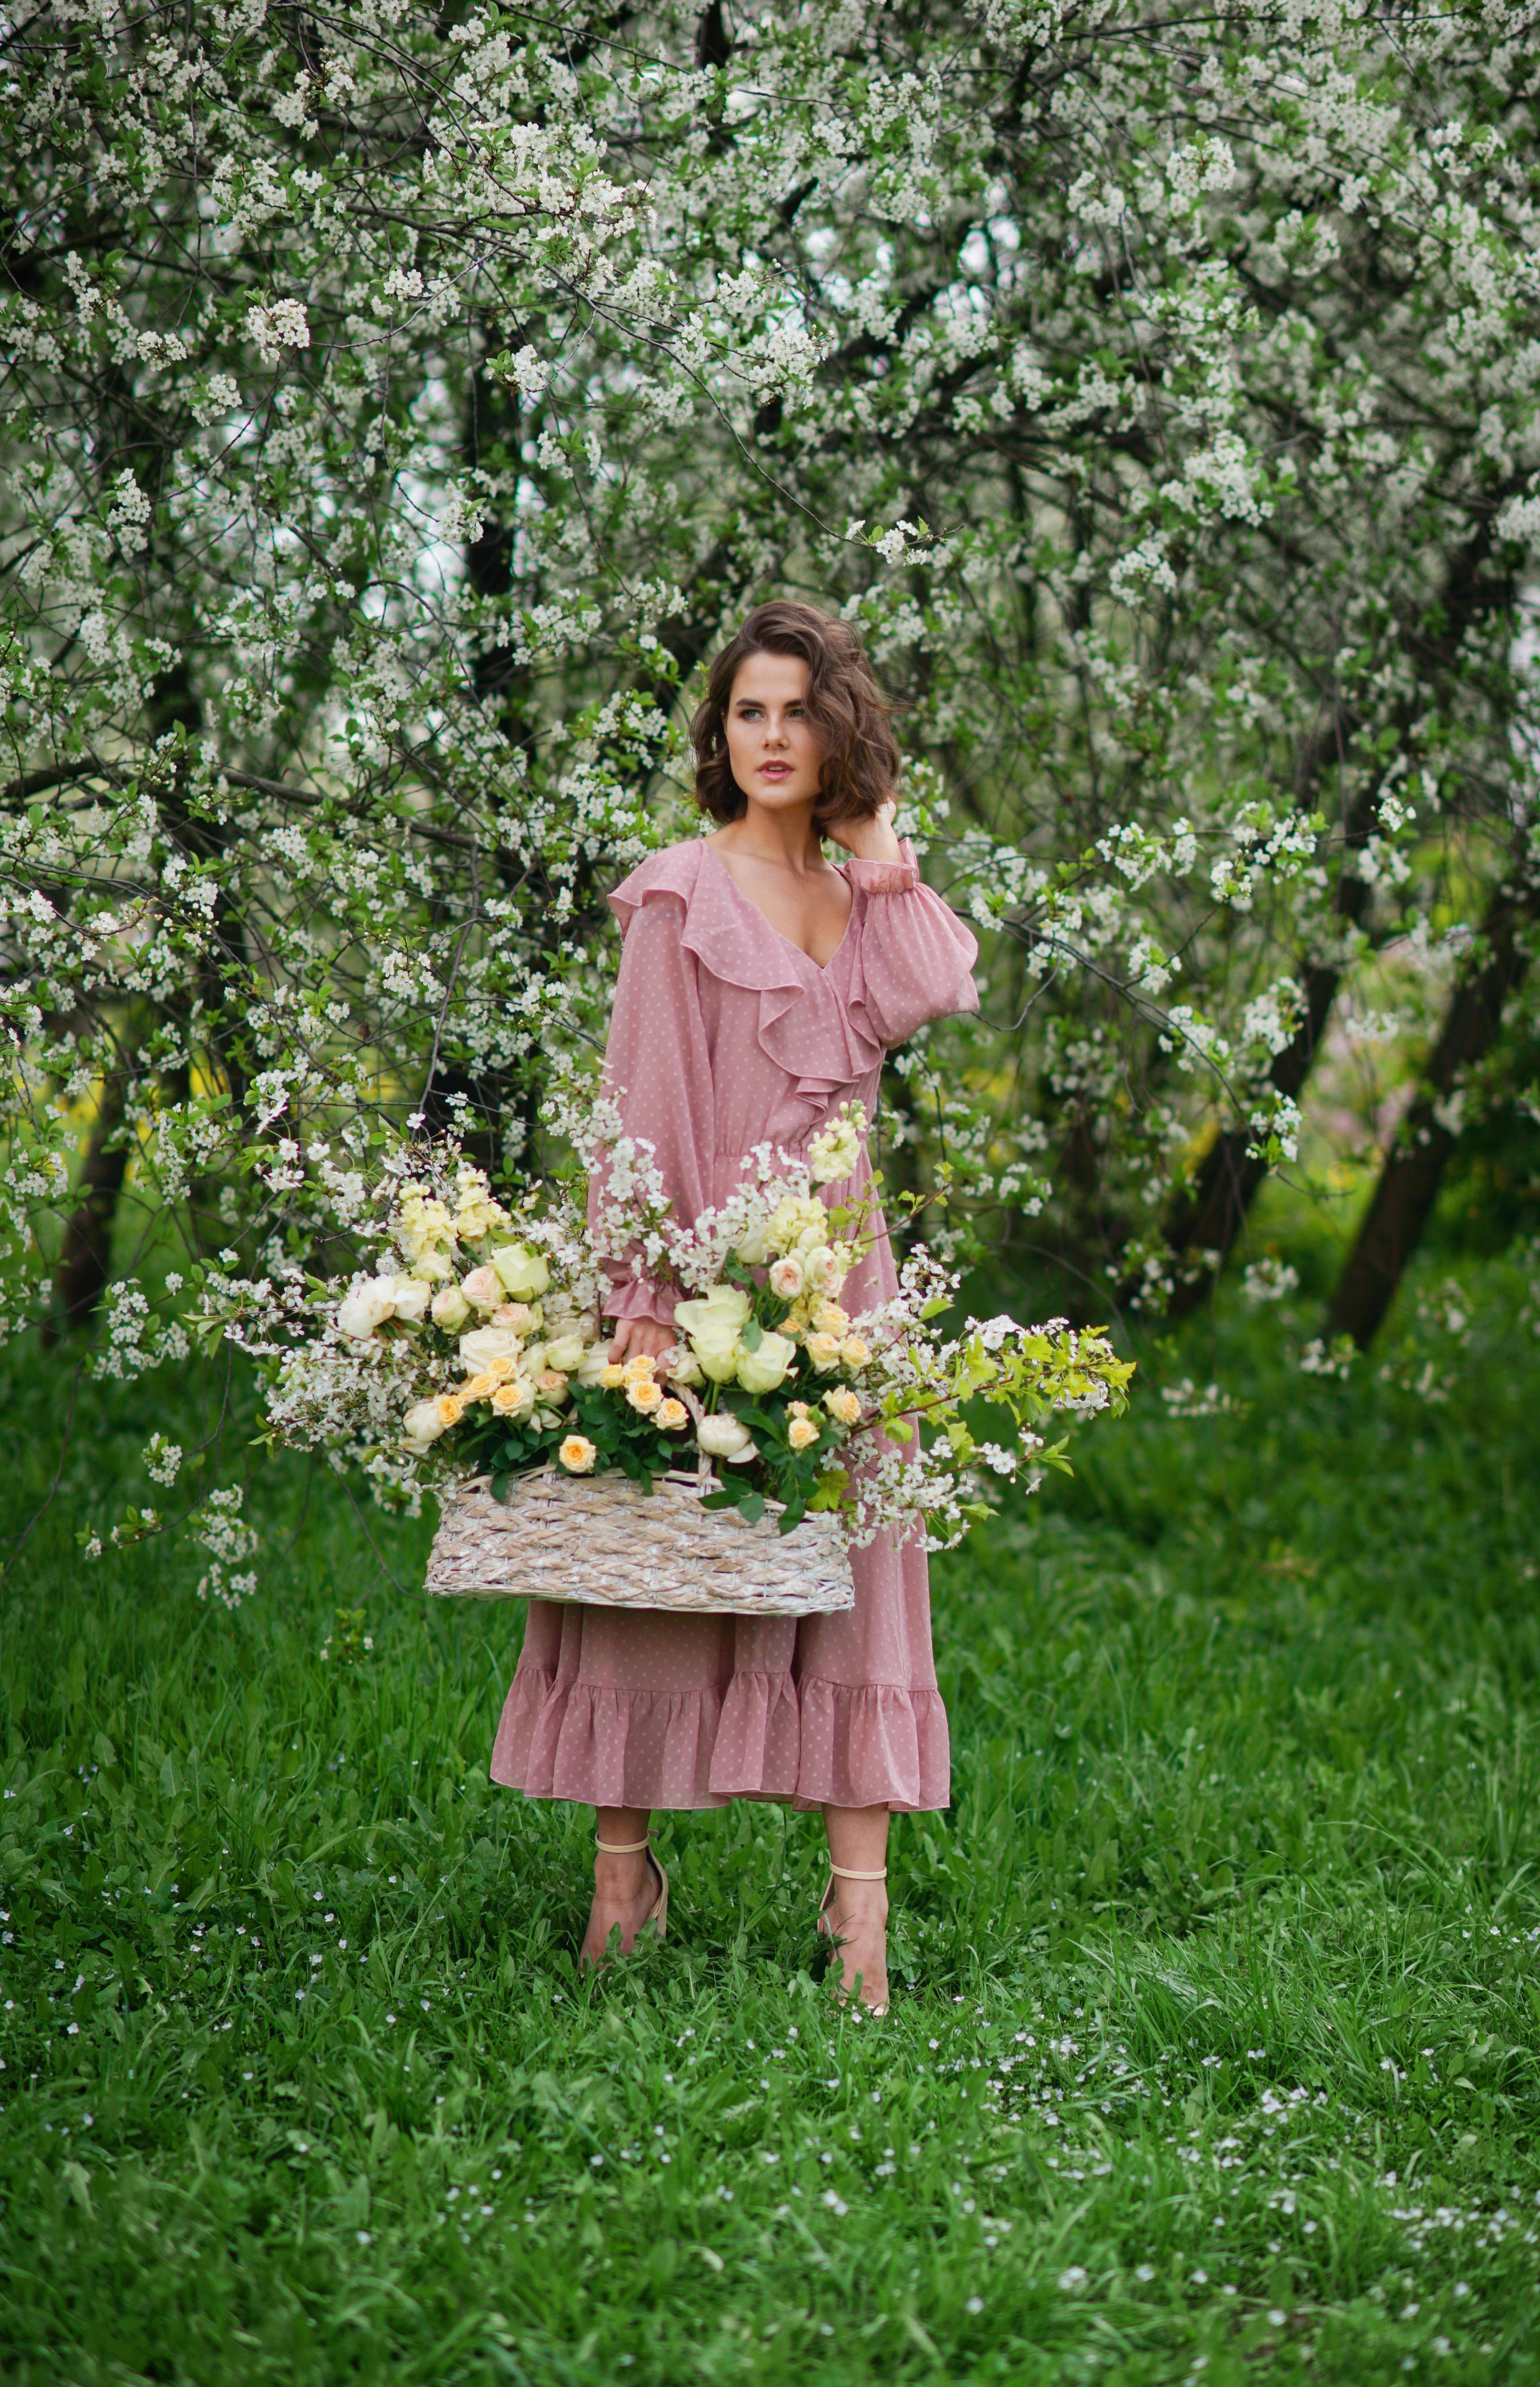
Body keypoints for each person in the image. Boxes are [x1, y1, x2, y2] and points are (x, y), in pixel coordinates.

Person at [489, 599, 980, 2009]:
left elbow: (939, 981)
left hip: (840, 1283)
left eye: (797, 710)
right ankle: (623, 1878)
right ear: (719, 734)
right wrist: (643, 1295)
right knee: (656, 1562)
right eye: (747, 712)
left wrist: (880, 843)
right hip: (694, 1273)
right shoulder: (679, 893)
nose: (770, 736)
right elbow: (638, 1101)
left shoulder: (860, 899)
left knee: (858, 1585)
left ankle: (858, 1922)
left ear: (841, 731)